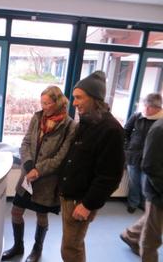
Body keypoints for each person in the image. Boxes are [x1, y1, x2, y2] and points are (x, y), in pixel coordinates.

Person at [1, 86, 77, 262]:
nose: (44, 107)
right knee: (16, 211)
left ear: (58, 102)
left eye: (47, 103)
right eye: (42, 102)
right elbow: (26, 142)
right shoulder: (37, 117)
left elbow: (61, 157)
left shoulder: (70, 126)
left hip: (47, 181)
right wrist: (28, 164)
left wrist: (39, 170)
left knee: (41, 215)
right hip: (27, 176)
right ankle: (18, 246)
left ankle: (37, 249)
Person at [58, 71, 125, 262]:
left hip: (81, 201)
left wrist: (88, 204)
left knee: (71, 248)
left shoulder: (111, 130)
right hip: (70, 196)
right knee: (73, 244)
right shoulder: (88, 121)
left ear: (95, 98)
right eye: (74, 98)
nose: (74, 103)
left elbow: (110, 176)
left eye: (79, 97)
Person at [120, 118, 163, 262]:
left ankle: (130, 234)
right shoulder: (159, 128)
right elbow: (150, 165)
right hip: (158, 192)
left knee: (153, 219)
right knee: (152, 238)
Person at [124, 93, 163, 213]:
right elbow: (125, 131)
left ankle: (144, 204)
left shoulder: (161, 122)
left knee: (146, 184)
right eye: (145, 105)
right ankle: (133, 203)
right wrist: (127, 147)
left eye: (149, 107)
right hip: (133, 155)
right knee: (134, 182)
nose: (146, 109)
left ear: (158, 108)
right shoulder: (136, 116)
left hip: (151, 160)